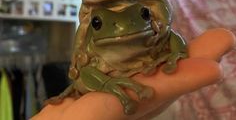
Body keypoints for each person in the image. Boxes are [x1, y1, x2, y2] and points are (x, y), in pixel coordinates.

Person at [31, 28, 235, 120]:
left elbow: (170, 36)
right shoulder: (94, 51)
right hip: (99, 81)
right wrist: (107, 84)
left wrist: (176, 54)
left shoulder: (155, 35)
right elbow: (85, 74)